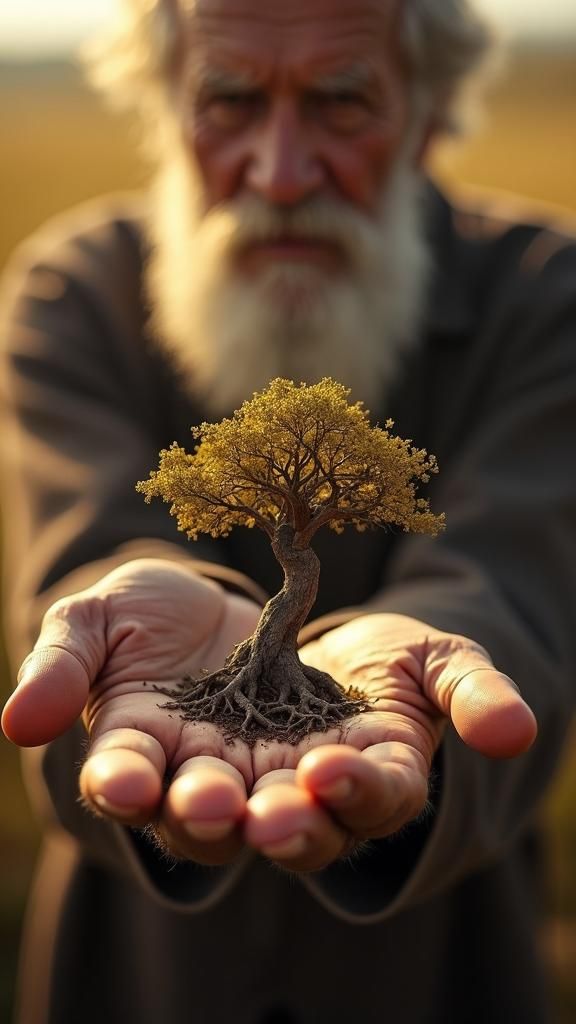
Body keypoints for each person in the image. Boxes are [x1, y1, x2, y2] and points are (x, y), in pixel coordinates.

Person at [1, 1, 575, 1021]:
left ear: (427, 112)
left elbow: (512, 574)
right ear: (165, 109)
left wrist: (428, 660)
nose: (279, 173)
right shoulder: (76, 294)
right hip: (140, 975)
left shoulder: (545, 296)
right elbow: (79, 554)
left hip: (440, 970)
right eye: (229, 100)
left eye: (340, 101)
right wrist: (127, 624)